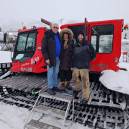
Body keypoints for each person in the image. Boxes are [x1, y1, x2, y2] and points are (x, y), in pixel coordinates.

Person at [72, 32, 96, 102]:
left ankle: (85, 97)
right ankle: (77, 90)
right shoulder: (75, 45)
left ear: (83, 37)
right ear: (77, 37)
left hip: (84, 67)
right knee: (75, 80)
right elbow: (72, 55)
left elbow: (93, 54)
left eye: (81, 36)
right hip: (76, 66)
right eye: (79, 36)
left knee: (85, 82)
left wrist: (88, 60)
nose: (80, 37)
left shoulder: (88, 44)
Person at [42, 23, 62, 95]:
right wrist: (46, 58)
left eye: (57, 27)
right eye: (54, 27)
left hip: (57, 58)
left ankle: (54, 86)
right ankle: (50, 88)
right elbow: (43, 48)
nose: (56, 28)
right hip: (50, 58)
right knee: (50, 72)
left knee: (56, 72)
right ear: (51, 27)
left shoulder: (58, 35)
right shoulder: (47, 35)